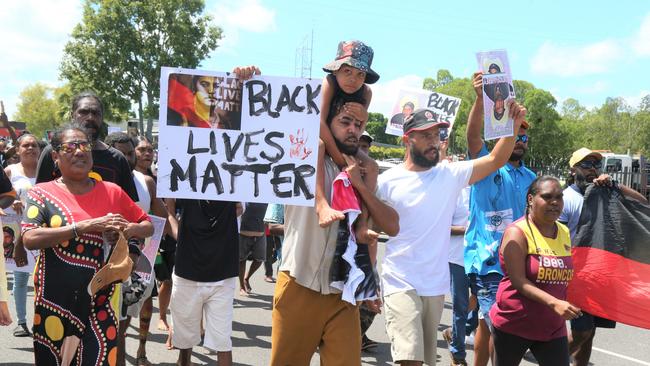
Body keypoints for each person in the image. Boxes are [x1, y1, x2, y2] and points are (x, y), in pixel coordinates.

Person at [375, 102, 526, 366]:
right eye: (426, 135)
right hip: (399, 281)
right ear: (407, 140)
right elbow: (369, 230)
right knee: (410, 359)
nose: (434, 142)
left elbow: (495, 159)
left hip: (434, 286)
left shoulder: (449, 174)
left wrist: (511, 127)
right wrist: (367, 281)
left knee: (425, 361)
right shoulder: (386, 182)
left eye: (437, 135)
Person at [271, 91, 399, 366]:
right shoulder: (302, 157)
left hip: (344, 295)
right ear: (327, 123)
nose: (353, 130)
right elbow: (253, 135)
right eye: (345, 122)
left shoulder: (363, 171)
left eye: (359, 125)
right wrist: (244, 82)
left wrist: (363, 185)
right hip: (299, 285)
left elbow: (392, 225)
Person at [21, 124, 153, 366]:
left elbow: (147, 225)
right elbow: (29, 238)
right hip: (55, 301)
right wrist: (83, 226)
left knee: (99, 357)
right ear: (55, 156)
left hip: (101, 298)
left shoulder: (112, 191)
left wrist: (126, 229)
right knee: (54, 359)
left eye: (84, 146)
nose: (79, 151)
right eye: (70, 147)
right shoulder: (41, 193)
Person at [169, 65, 259, 366]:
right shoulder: (181, 174)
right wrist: (178, 231)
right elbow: (168, 212)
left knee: (222, 341)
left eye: (220, 128)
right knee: (184, 342)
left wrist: (242, 80)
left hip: (222, 274)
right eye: (208, 128)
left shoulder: (240, 179)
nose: (214, 135)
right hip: (186, 271)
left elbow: (261, 129)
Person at [464, 72, 536, 366]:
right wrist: (481, 100)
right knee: (496, 325)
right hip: (487, 261)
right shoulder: (485, 164)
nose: (519, 138)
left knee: (494, 325)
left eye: (523, 134)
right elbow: (472, 136)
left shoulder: (532, 179)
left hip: (519, 262)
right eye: (513, 132)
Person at [559, 148, 647, 366]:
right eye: (586, 165)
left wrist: (615, 185)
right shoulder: (565, 198)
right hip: (572, 275)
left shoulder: (605, 193)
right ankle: (551, 360)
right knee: (583, 331)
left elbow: (642, 202)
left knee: (590, 334)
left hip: (599, 278)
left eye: (596, 165)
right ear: (573, 169)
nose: (592, 170)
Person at [105, 132, 178, 366]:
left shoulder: (146, 182)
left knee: (128, 315)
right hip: (103, 262)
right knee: (111, 319)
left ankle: (137, 351)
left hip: (140, 261)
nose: (125, 158)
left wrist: (181, 237)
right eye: (120, 153)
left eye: (129, 153)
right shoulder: (96, 183)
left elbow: (163, 215)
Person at [490, 176, 580, 366]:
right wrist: (554, 302)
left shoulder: (563, 231)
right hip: (515, 323)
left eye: (559, 197)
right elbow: (518, 281)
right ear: (531, 199)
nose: (555, 203)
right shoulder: (517, 232)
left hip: (552, 326)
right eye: (547, 197)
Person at [316, 40, 379, 233]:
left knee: (372, 166)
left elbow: (358, 129)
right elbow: (318, 121)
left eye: (360, 74)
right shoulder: (329, 83)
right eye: (347, 72)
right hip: (324, 137)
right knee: (317, 145)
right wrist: (337, 157)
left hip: (346, 143)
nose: (353, 79)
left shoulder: (366, 92)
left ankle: (361, 223)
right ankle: (321, 204)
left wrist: (364, 117)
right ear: (335, 70)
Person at [35, 91, 139, 202]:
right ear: (72, 115)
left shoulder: (117, 158)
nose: (90, 118)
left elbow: (130, 206)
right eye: (83, 112)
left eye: (96, 113)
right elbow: (39, 200)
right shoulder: (54, 152)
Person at [4, 133, 40, 338]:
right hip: (18, 234)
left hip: (42, 233)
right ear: (17, 150)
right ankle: (22, 322)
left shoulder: (48, 171)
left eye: (34, 145)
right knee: (20, 279)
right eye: (26, 145)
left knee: (43, 280)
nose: (31, 149)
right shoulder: (10, 171)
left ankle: (40, 321)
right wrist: (11, 201)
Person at [238, 202, 269, 296]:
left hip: (260, 234)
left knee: (260, 259)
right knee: (241, 260)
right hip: (242, 233)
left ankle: (246, 278)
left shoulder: (265, 196)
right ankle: (242, 287)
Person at [263, 203, 284, 283]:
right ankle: (268, 275)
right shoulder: (275, 203)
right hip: (267, 233)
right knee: (268, 254)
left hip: (277, 234)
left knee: (274, 256)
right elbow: (271, 226)